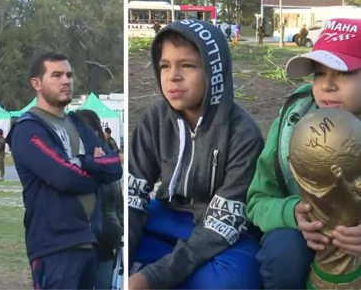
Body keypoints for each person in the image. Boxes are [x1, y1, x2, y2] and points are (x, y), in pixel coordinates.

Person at [128, 19, 265, 289]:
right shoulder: (155, 119)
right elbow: (132, 198)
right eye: (165, 65)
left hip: (222, 231)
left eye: (187, 65)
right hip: (166, 217)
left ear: (214, 72)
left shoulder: (244, 133)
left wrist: (151, 278)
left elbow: (222, 226)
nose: (172, 76)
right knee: (114, 248)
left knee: (233, 279)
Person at [247, 18, 361, 289]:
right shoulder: (293, 121)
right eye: (319, 73)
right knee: (282, 254)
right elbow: (257, 200)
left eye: (343, 73)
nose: (327, 86)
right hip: (304, 237)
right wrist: (291, 213)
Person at [6, 52, 123, 290]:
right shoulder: (27, 130)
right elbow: (64, 177)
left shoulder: (78, 124)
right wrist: (94, 172)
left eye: (69, 75)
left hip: (90, 242)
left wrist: (82, 162)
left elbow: (115, 167)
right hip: (55, 247)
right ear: (36, 83)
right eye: (57, 75)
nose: (66, 81)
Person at [75, 109, 123, 290]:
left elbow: (117, 202)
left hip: (107, 243)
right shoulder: (73, 163)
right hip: (81, 245)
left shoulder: (110, 163)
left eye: (93, 133)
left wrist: (121, 229)